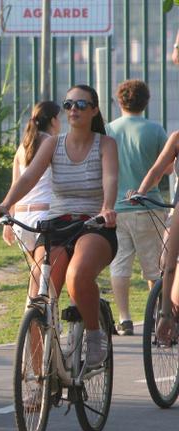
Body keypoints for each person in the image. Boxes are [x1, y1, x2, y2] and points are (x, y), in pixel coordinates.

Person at [0, 84, 119, 368]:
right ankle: (37, 378)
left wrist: (107, 206)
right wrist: (5, 204)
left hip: (93, 223)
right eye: (68, 104)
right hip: (56, 224)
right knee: (39, 296)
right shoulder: (52, 143)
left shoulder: (105, 144)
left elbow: (110, 178)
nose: (73, 110)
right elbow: (27, 178)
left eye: (81, 105)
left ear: (94, 110)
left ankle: (95, 337)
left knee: (77, 276)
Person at [106, 80, 168, 336]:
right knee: (154, 266)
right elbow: (167, 167)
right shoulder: (155, 130)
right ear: (146, 101)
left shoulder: (109, 130)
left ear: (119, 101)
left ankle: (125, 318)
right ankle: (157, 314)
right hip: (148, 205)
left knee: (120, 265)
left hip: (117, 207)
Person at [2, 101, 61, 255]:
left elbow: (15, 184)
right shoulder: (53, 144)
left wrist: (8, 220)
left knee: (35, 272)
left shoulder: (22, 147)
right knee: (44, 273)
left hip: (21, 218)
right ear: (54, 121)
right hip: (45, 214)